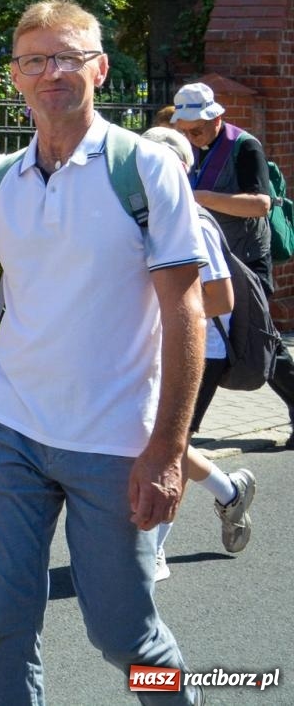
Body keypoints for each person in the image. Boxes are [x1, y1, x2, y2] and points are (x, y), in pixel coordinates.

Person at [0, 0, 207, 705]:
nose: (51, 71)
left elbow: (186, 313)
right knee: (3, 622)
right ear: (17, 78)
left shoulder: (145, 170)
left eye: (67, 56)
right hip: (11, 431)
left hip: (115, 442)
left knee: (124, 635)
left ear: (100, 67)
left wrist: (167, 450)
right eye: (34, 60)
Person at [140, 126, 257, 578]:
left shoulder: (193, 219)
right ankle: (229, 492)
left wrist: (165, 317)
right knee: (153, 439)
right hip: (157, 347)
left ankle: (154, 550)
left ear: (179, 169)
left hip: (199, 351)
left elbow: (222, 299)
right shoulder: (143, 213)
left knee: (167, 443)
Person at [171, 81, 294, 447]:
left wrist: (199, 198)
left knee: (246, 336)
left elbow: (260, 204)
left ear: (217, 118)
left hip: (246, 262)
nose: (191, 137)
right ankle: (184, 428)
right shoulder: (186, 148)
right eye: (184, 131)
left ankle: (184, 429)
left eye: (197, 129)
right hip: (207, 260)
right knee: (239, 338)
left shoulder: (245, 147)